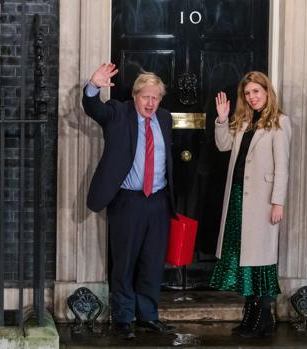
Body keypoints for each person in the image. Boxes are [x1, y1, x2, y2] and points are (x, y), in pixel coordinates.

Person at [82, 63, 176, 340]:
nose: (150, 102)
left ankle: (148, 315)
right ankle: (123, 317)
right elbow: (92, 108)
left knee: (152, 261)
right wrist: (93, 87)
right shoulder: (118, 113)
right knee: (124, 261)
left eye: (155, 97)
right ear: (135, 96)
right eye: (146, 96)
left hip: (158, 201)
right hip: (127, 201)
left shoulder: (165, 118)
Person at [209, 71, 292, 337]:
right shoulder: (244, 122)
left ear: (267, 92)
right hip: (237, 197)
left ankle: (262, 319)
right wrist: (222, 119)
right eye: (247, 93)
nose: (252, 97)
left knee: (261, 260)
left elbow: (283, 167)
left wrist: (277, 202)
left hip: (263, 201)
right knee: (243, 257)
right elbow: (222, 146)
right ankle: (251, 316)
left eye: (256, 91)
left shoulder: (280, 122)